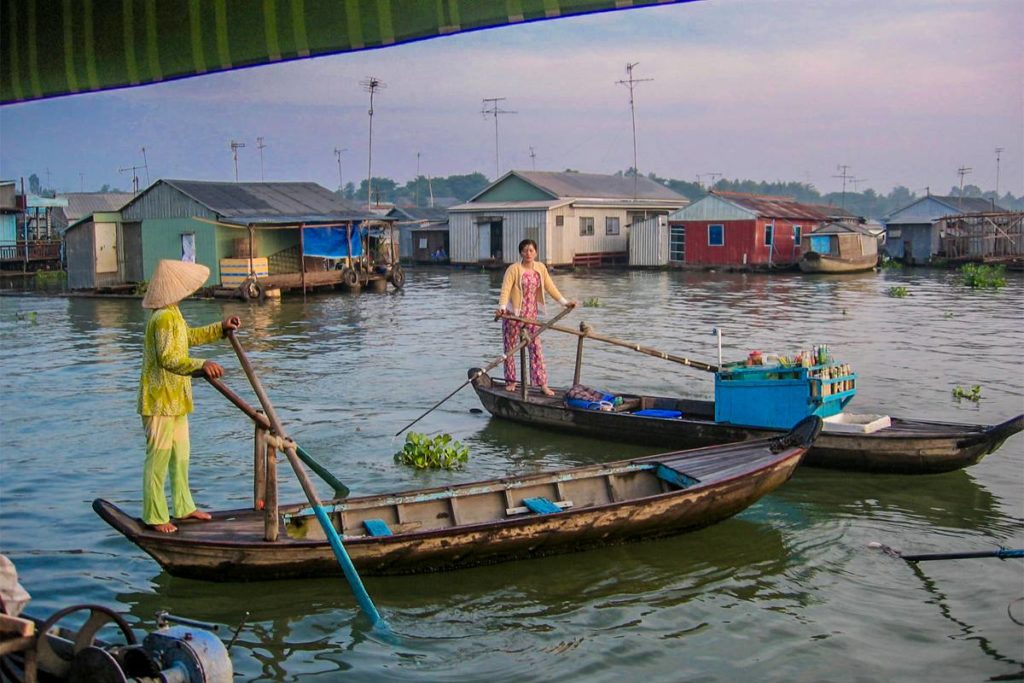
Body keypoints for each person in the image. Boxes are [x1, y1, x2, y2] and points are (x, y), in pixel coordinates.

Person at [138, 259, 241, 533]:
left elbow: (187, 339)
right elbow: (168, 358)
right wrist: (201, 365)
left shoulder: (174, 314)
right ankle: (155, 515)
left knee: (180, 456)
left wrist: (220, 328)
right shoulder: (162, 318)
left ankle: (183, 507)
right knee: (158, 458)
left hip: (177, 399)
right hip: (160, 400)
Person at [495, 239, 575, 396]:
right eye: (525, 251)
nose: (528, 253)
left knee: (536, 350)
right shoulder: (513, 269)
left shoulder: (540, 268)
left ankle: (542, 384)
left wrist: (565, 303)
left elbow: (550, 287)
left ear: (536, 252)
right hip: (513, 316)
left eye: (531, 250)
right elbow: (505, 290)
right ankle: (511, 381)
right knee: (510, 350)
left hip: (531, 317)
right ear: (521, 253)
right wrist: (502, 308)